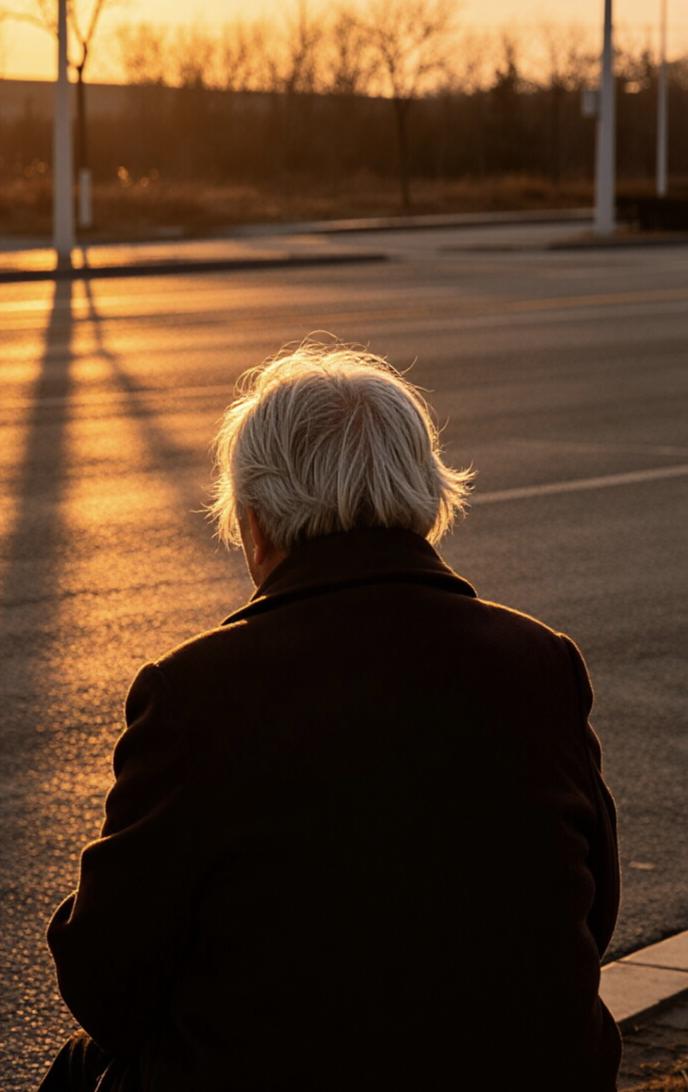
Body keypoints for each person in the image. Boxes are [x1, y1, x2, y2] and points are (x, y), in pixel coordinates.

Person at [41, 343, 621, 1091]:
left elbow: (108, 987)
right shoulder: (541, 662)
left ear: (254, 520)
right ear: (426, 498)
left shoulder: (195, 692)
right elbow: (590, 913)